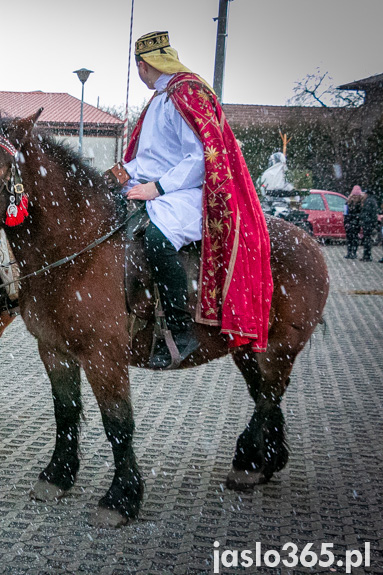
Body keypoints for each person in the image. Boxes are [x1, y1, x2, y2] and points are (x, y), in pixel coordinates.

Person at [123, 31, 272, 369]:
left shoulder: (187, 93)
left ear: (143, 66)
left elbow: (200, 160)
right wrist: (119, 174)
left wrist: (156, 189)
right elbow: (149, 158)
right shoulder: (160, 98)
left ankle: (179, 330)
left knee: (158, 240)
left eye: (140, 68)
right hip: (156, 187)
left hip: (192, 193)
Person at [344, 185, 365, 259]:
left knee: (349, 238)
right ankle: (354, 253)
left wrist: (346, 222)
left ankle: (349, 253)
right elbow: (362, 213)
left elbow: (345, 212)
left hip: (349, 222)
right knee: (355, 238)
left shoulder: (348, 201)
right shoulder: (361, 202)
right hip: (356, 223)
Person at [359, 189, 379, 261]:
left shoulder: (368, 201)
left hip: (367, 223)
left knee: (367, 240)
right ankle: (367, 255)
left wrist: (362, 219)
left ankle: (367, 256)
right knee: (367, 239)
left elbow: (367, 213)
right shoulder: (372, 200)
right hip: (369, 223)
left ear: (367, 194)